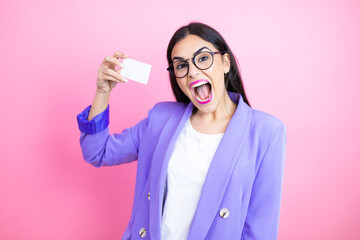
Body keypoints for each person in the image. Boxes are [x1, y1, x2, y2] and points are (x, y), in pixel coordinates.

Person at [77, 22, 287, 240]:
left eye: (203, 58)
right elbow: (97, 152)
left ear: (225, 63)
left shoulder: (267, 133)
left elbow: (260, 230)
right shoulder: (160, 119)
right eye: (180, 66)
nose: (193, 71)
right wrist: (102, 92)